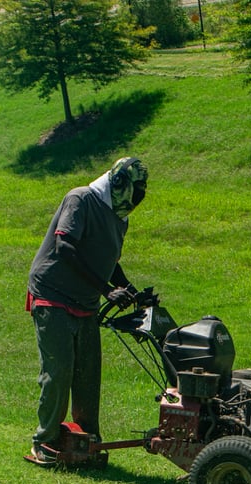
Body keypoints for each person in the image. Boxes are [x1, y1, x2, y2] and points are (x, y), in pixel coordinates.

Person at [25, 156, 149, 465]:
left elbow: (109, 260)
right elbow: (65, 247)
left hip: (85, 302)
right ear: (119, 184)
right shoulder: (80, 198)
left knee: (88, 374)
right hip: (52, 294)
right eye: (133, 193)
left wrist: (130, 291)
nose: (134, 202)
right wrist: (107, 290)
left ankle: (87, 440)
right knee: (59, 371)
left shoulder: (120, 218)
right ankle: (44, 441)